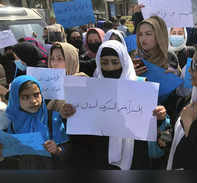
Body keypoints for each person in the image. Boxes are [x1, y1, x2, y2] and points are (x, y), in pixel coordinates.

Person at [59, 40, 167, 169]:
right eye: (104, 63)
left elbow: (149, 127)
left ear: (124, 62)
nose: (110, 68)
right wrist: (68, 116)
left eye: (115, 62)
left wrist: (159, 117)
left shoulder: (140, 88)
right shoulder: (90, 91)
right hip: (99, 159)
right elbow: (81, 136)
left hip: (134, 159)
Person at [1, 75, 69, 169]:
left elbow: (68, 150)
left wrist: (57, 150)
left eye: (36, 95)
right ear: (16, 99)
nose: (33, 101)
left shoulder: (53, 118)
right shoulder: (10, 122)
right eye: (25, 97)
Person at [47, 42, 88, 112]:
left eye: (60, 59)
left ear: (71, 60)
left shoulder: (83, 83)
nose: (54, 63)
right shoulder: (49, 83)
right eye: (52, 58)